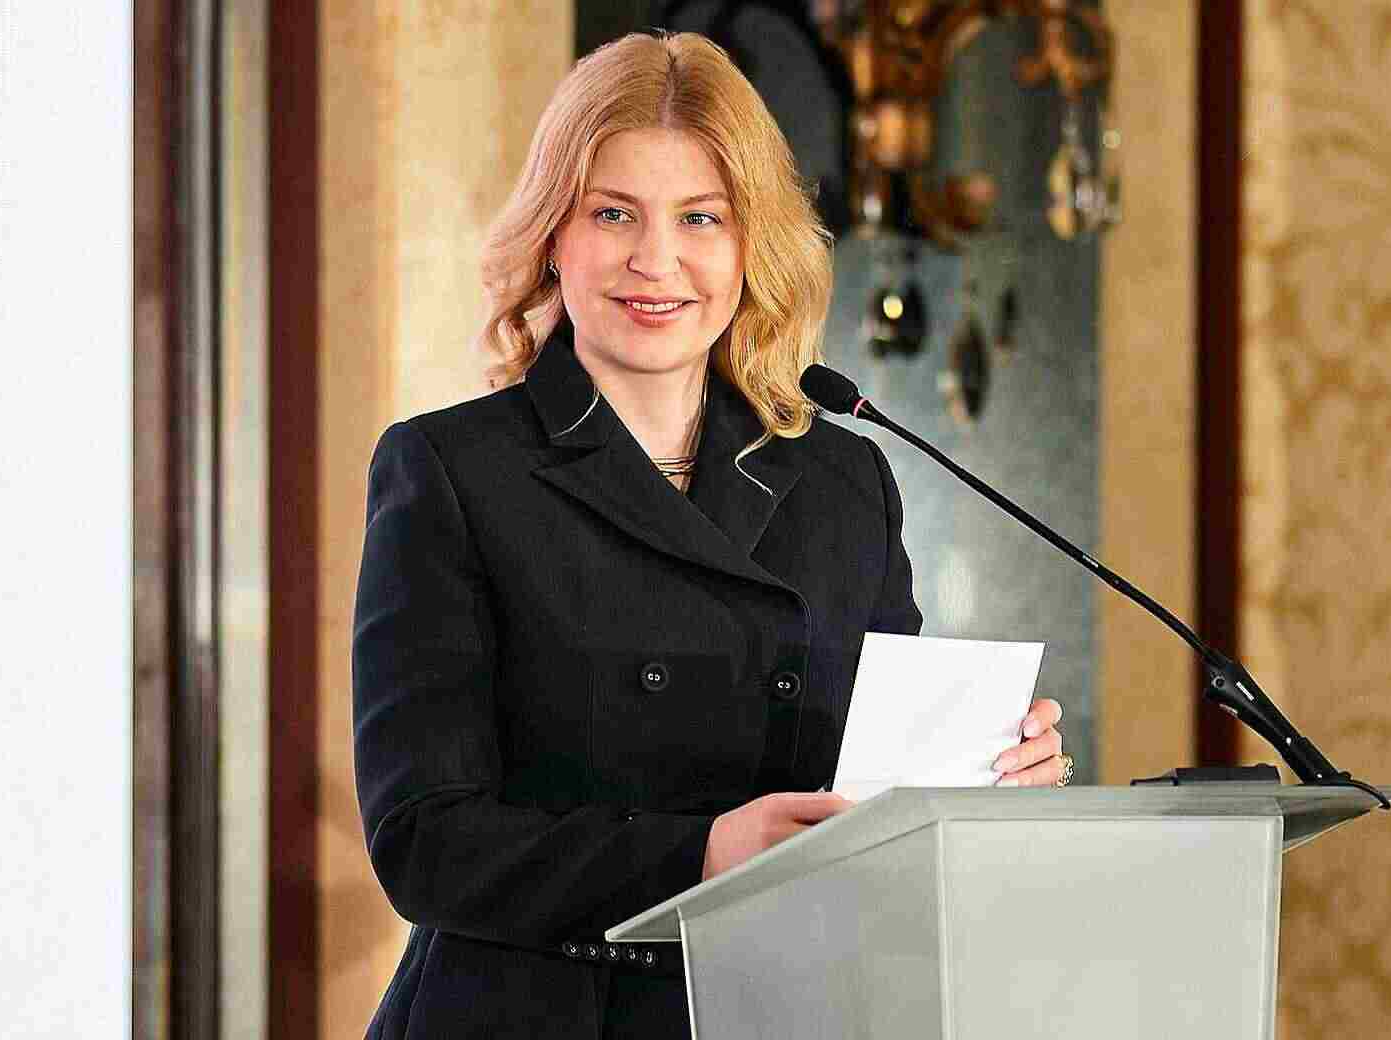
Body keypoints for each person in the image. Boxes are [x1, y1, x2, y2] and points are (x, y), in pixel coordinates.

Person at [351, 31, 1071, 1039]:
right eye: (613, 213)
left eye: (701, 217)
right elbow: (424, 841)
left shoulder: (844, 480)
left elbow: (881, 790)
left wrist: (991, 773)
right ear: (554, 234)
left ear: (750, 246)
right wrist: (700, 854)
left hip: (776, 1007)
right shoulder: (452, 470)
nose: (657, 260)